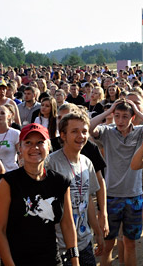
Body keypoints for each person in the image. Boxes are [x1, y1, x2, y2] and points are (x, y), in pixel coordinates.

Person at [0, 123, 80, 266]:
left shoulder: (60, 181)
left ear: (49, 146)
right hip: (17, 260)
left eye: (40, 142)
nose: (35, 148)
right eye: (28, 143)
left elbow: (67, 224)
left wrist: (75, 261)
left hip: (51, 259)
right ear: (19, 148)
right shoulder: (8, 183)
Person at [89, 99, 143, 266]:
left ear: (132, 118)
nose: (120, 121)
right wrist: (108, 110)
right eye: (117, 116)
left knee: (130, 243)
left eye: (125, 116)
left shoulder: (140, 132)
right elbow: (88, 127)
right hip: (111, 196)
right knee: (108, 244)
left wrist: (137, 111)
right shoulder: (107, 132)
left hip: (134, 196)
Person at [47, 113, 104, 266]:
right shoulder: (50, 163)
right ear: (63, 135)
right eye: (74, 131)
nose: (81, 136)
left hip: (84, 242)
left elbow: (89, 201)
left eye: (84, 131)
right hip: (59, 246)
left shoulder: (87, 162)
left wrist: (98, 232)